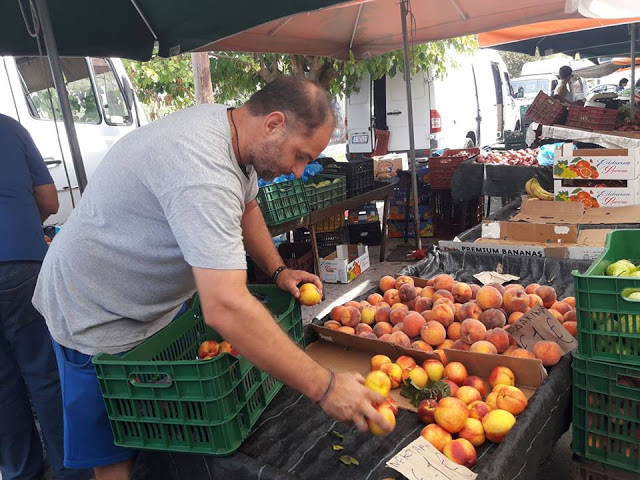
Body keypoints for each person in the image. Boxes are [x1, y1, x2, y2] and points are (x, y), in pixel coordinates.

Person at [33, 76, 391, 480]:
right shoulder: (201, 167)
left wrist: (277, 269)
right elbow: (225, 306)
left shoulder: (234, 132)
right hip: (95, 309)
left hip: (152, 309)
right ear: (273, 124)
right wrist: (325, 387)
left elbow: (247, 206)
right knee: (114, 444)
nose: (298, 170)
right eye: (300, 155)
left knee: (159, 425)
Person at [0, 114, 90, 480]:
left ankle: (21, 473)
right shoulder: (8, 127)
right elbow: (49, 200)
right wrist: (21, 226)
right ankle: (70, 470)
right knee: (45, 374)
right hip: (21, 265)